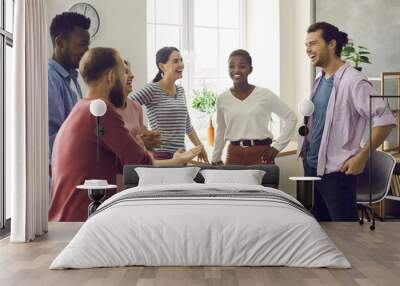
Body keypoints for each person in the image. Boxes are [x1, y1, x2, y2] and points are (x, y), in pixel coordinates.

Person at [49, 47, 202, 222]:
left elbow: (120, 163)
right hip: (79, 220)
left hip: (66, 217)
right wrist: (176, 161)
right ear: (111, 77)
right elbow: (140, 164)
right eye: (124, 72)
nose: (129, 77)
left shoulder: (83, 107)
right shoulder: (101, 110)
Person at [298, 22, 395, 221]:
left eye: (313, 44)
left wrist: (361, 157)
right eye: (306, 45)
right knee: (320, 233)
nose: (308, 49)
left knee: (345, 237)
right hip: (312, 169)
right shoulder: (320, 78)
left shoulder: (354, 81)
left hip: (336, 175)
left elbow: (385, 120)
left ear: (332, 44)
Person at [211, 49, 297, 165]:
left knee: (264, 184)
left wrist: (277, 147)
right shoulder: (222, 98)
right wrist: (215, 158)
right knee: (231, 184)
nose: (236, 70)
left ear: (250, 70)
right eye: (232, 66)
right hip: (234, 155)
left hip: (261, 154)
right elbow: (220, 130)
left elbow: (291, 118)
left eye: (242, 66)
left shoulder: (265, 94)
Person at [129, 47, 209, 162]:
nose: (181, 64)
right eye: (176, 61)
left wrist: (200, 147)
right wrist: (143, 130)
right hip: (161, 156)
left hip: (181, 155)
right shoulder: (152, 89)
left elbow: (187, 124)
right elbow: (126, 105)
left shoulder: (180, 91)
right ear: (162, 66)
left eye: (181, 60)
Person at [48, 12, 91, 175]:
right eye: (82, 45)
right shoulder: (50, 79)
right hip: (60, 177)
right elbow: (54, 139)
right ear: (60, 43)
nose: (87, 52)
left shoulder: (71, 78)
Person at [117, 60, 161, 151]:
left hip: (137, 163)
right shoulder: (105, 109)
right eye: (125, 72)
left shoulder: (136, 107)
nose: (132, 75)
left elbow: (141, 139)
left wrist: (147, 140)